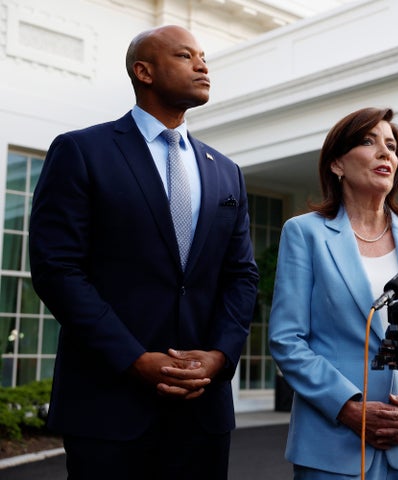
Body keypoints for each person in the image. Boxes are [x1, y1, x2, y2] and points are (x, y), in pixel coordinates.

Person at [28, 25, 259, 480]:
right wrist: (134, 359)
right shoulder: (81, 150)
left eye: (204, 56)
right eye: (185, 55)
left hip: (203, 408)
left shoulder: (227, 172)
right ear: (144, 71)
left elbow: (242, 276)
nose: (202, 64)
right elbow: (58, 268)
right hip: (108, 405)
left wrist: (219, 356)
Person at [268, 107, 398, 479]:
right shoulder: (305, 233)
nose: (386, 153)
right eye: (369, 142)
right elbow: (287, 339)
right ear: (337, 163)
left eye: (391, 145)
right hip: (333, 443)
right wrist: (348, 406)